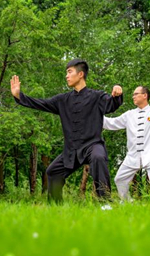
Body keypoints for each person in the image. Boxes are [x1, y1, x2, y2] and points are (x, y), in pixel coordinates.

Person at [10, 59, 123, 202]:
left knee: (98, 157)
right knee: (53, 172)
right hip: (72, 150)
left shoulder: (97, 96)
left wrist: (117, 94)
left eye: (69, 72)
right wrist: (19, 96)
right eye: (66, 73)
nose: (66, 76)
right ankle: (55, 208)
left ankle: (105, 203)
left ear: (80, 74)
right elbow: (41, 103)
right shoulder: (62, 100)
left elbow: (111, 105)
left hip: (93, 145)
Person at [103, 86, 150, 201]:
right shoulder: (129, 114)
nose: (133, 96)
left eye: (136, 94)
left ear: (145, 95)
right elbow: (111, 123)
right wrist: (95, 115)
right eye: (133, 94)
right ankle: (127, 203)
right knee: (119, 179)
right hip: (132, 156)